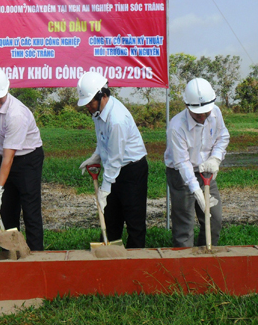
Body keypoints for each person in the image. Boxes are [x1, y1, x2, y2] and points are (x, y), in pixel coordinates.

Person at [0, 67, 44, 251]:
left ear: (7, 90)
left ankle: (36, 254)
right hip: (7, 157)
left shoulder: (16, 114)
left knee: (30, 209)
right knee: (6, 209)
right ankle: (12, 251)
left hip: (28, 159)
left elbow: (9, 157)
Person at [77, 71, 148, 248]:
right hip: (114, 168)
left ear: (103, 95)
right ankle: (110, 262)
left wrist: (105, 189)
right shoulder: (98, 112)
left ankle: (135, 263)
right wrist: (96, 156)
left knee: (134, 220)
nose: (88, 107)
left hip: (132, 170)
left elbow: (116, 157)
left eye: (90, 102)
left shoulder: (117, 119)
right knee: (110, 219)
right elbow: (104, 141)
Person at [164, 78, 229, 248]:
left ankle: (205, 257)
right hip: (180, 174)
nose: (202, 117)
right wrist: (196, 191)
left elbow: (223, 137)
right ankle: (184, 264)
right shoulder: (176, 126)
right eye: (197, 114)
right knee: (184, 224)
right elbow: (182, 162)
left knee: (214, 219)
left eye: (205, 113)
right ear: (187, 106)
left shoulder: (215, 113)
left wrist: (215, 158)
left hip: (205, 171)